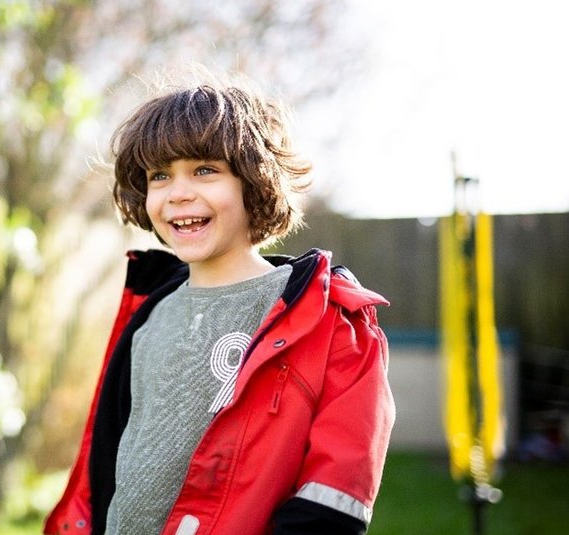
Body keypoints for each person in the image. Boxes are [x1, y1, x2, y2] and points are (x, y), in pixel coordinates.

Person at [44, 76, 395, 535]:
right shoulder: (146, 317)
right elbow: (109, 467)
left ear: (255, 181)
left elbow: (332, 505)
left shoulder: (335, 325)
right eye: (159, 175)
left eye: (204, 170)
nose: (177, 193)